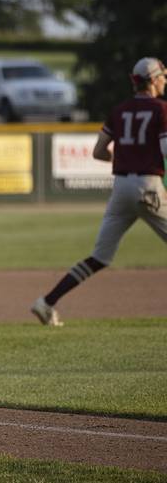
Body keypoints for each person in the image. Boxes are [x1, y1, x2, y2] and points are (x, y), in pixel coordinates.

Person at [31, 57, 167, 326]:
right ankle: (46, 304)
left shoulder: (119, 111)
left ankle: (46, 303)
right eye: (163, 76)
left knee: (99, 257)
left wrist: (125, 158)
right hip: (148, 186)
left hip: (121, 187)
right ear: (152, 80)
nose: (165, 80)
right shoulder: (162, 110)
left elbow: (98, 152)